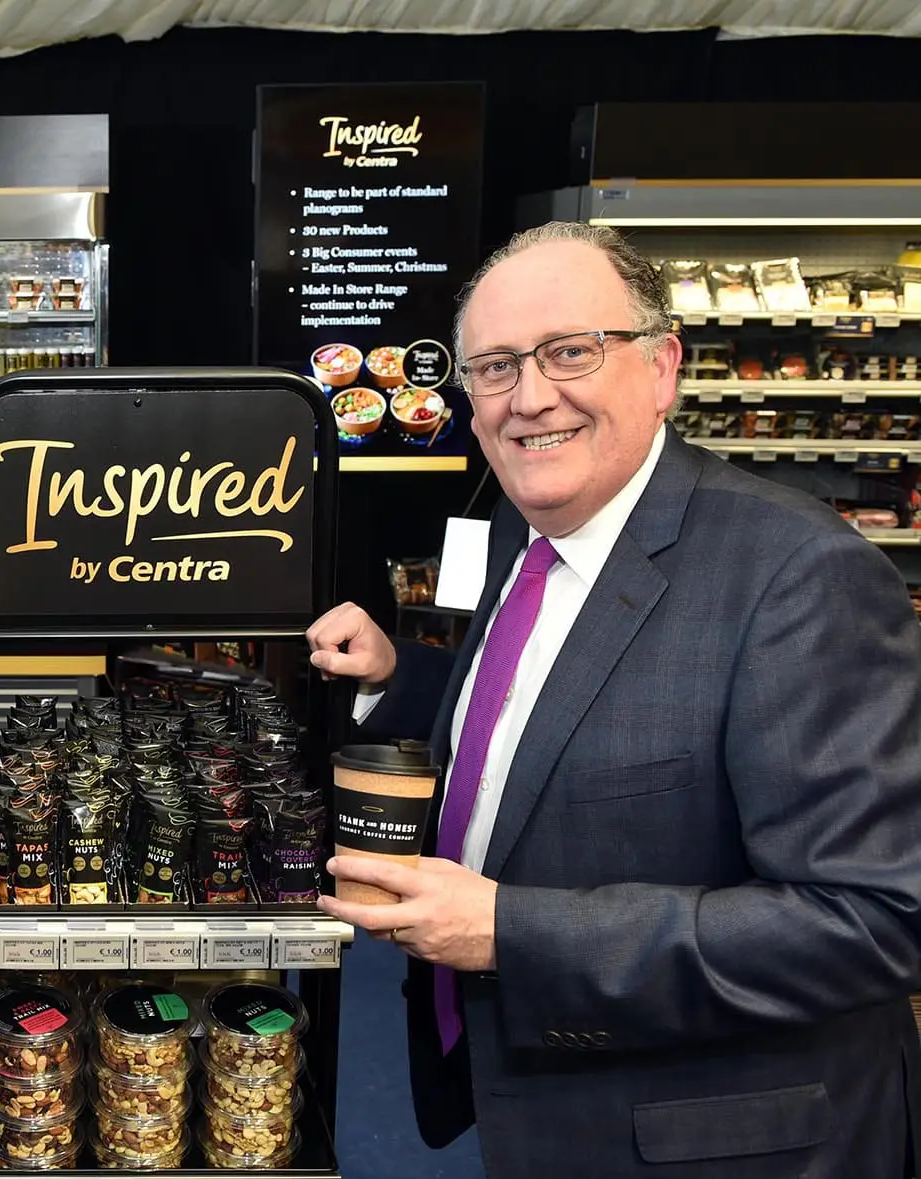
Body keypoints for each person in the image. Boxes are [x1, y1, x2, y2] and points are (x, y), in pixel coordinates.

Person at [309, 221, 921, 1177]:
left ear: (663, 366)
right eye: (496, 367)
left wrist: (509, 932)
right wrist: (400, 675)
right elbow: (545, 714)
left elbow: (873, 918)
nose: (529, 397)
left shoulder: (799, 576)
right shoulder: (527, 520)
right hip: (537, 1101)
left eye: (570, 351)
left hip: (711, 1142)